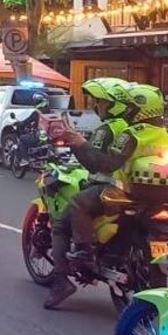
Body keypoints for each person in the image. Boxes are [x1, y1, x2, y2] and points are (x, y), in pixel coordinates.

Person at [46, 83, 168, 310]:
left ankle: (74, 264)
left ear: (142, 109)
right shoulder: (165, 135)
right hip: (155, 199)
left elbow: (103, 164)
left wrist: (79, 143)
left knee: (68, 214)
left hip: (121, 192)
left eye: (130, 106)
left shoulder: (131, 133)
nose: (125, 109)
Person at [43, 77, 133, 309]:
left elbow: (94, 163)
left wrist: (77, 142)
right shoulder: (133, 128)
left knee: (61, 225)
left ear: (114, 105)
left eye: (100, 102)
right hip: (132, 191)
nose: (96, 106)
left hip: (108, 188)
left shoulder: (109, 128)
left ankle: (66, 275)